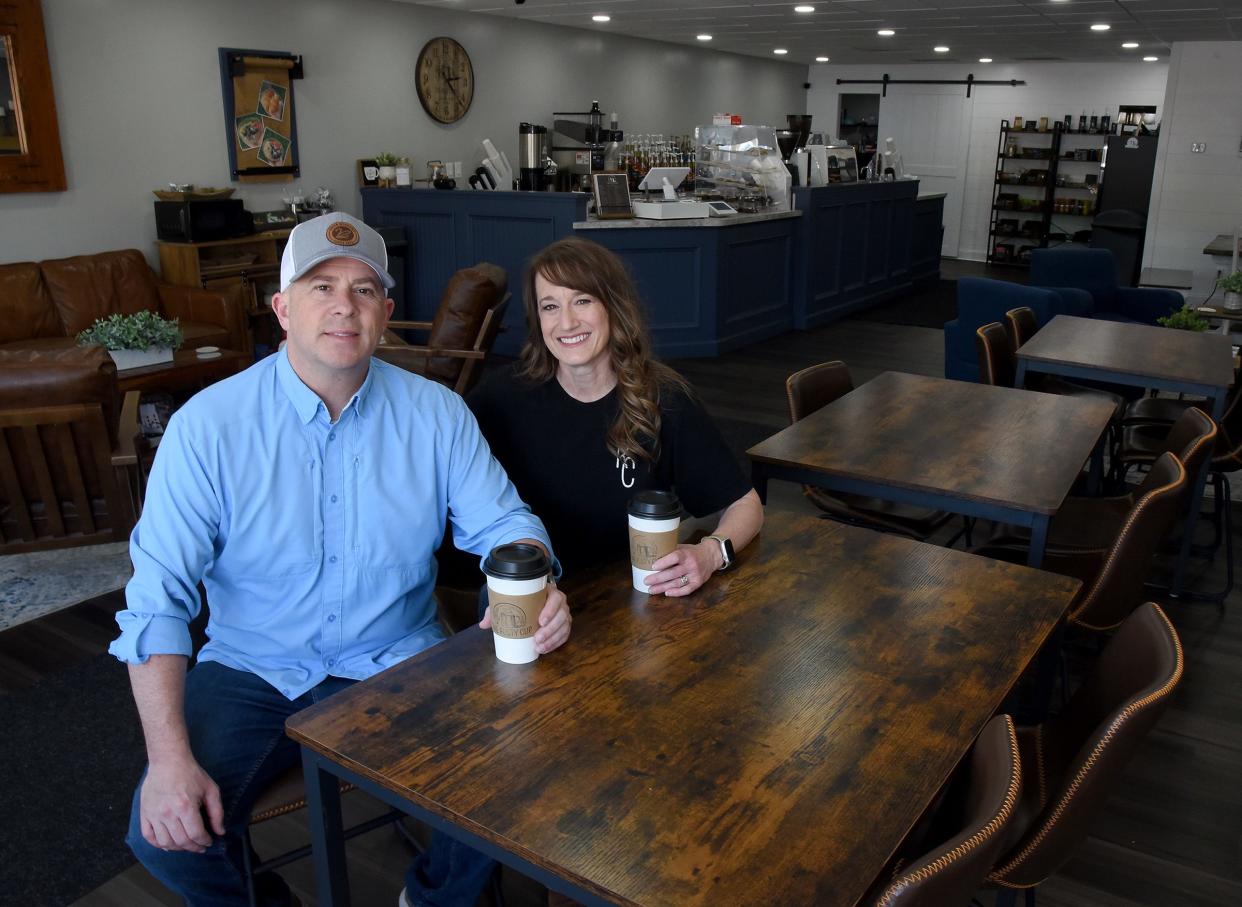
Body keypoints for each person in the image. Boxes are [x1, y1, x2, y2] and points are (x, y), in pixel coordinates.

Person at [109, 212, 571, 907]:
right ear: (282, 307)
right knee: (161, 831)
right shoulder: (206, 427)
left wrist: (534, 580)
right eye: (320, 285)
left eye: (362, 290)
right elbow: (156, 602)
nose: (342, 306)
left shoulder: (437, 413)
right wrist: (169, 761)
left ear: (385, 312)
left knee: (510, 773)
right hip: (251, 664)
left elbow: (505, 523)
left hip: (398, 654)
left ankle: (432, 899)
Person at [469, 237, 763, 593]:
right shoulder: (501, 398)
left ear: (613, 306)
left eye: (582, 300)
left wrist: (711, 554)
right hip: (535, 602)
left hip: (635, 597)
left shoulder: (663, 398)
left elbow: (745, 504)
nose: (567, 322)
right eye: (550, 306)